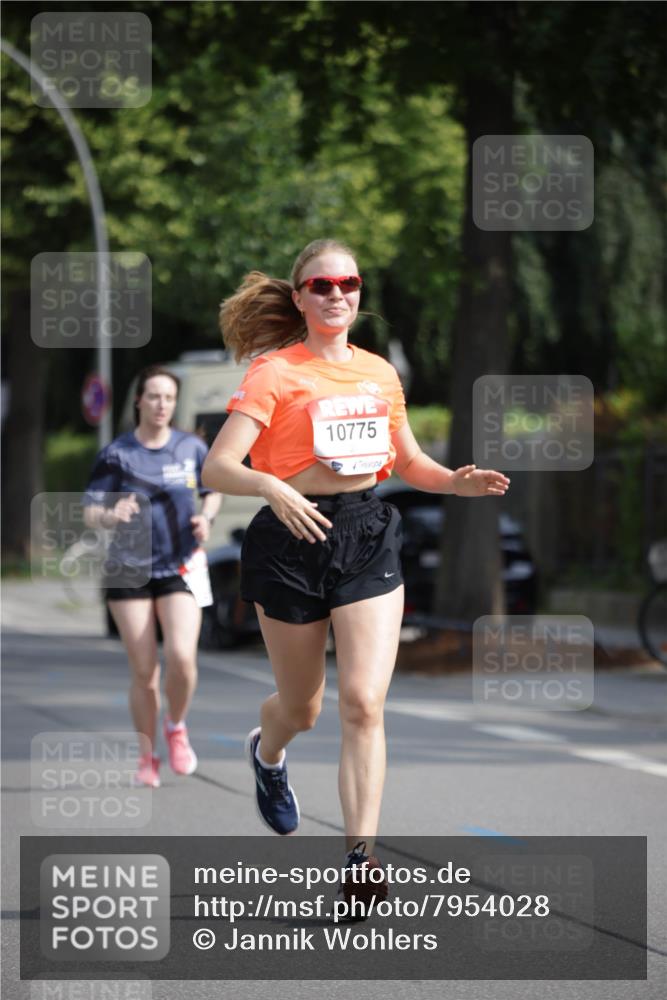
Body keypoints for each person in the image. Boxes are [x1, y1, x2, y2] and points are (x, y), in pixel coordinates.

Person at [202, 239, 509, 900]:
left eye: (348, 282)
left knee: (363, 704)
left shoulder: (378, 373)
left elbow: (409, 464)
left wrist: (454, 482)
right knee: (302, 707)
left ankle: (358, 863)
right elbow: (218, 467)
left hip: (365, 535)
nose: (335, 293)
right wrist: (272, 488)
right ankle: (268, 751)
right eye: (320, 285)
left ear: (358, 292)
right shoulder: (273, 373)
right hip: (288, 538)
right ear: (299, 296)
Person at [83, 365, 221, 788]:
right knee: (145, 671)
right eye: (154, 396)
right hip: (129, 570)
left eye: (169, 398)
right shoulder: (117, 454)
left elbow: (213, 488)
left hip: (180, 565)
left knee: (182, 656)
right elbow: (90, 510)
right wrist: (111, 513)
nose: (162, 405)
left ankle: (176, 726)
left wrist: (205, 517)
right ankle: (147, 755)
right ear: (139, 400)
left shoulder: (191, 448)